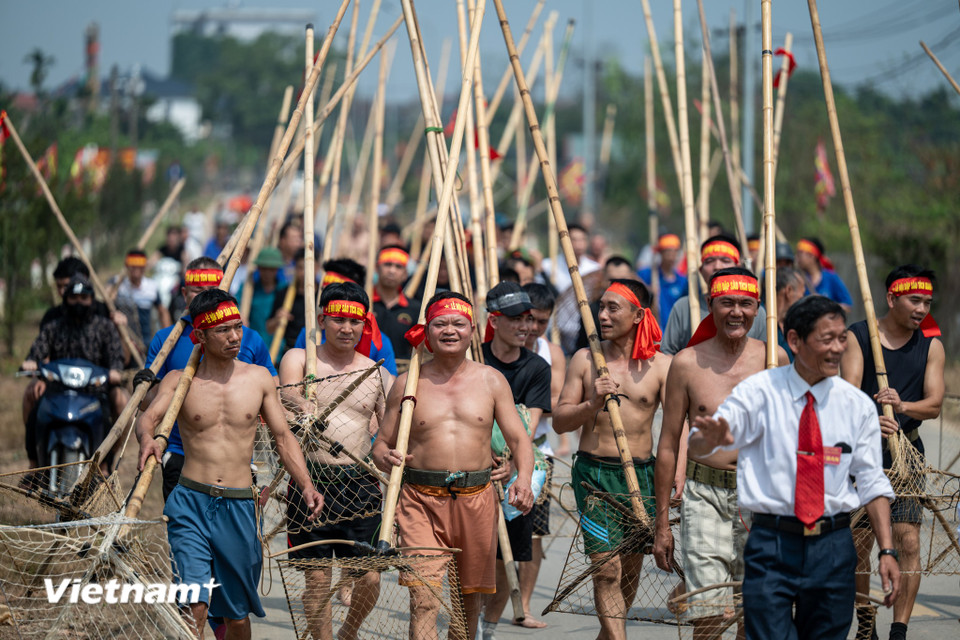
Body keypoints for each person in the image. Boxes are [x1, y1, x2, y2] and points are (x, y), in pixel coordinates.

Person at [688, 295, 900, 640]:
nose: (836, 348)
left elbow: (872, 481)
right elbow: (702, 441)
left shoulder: (856, 406)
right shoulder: (759, 393)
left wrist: (887, 550)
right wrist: (711, 437)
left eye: (841, 338)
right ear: (795, 341)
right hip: (772, 545)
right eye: (825, 339)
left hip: (833, 548)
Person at [137, 288, 322, 640]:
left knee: (236, 616)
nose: (235, 336)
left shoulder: (258, 379)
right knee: (195, 605)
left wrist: (307, 485)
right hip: (190, 501)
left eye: (238, 327)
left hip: (239, 505)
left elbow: (283, 437)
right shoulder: (180, 381)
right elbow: (147, 419)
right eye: (224, 330)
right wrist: (147, 439)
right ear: (201, 335)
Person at [373, 291, 535, 640]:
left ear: (472, 330)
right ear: (427, 332)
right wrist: (386, 457)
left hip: (476, 499)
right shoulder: (408, 383)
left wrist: (523, 479)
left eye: (458, 323)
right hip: (419, 500)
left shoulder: (491, 381)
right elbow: (380, 445)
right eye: (440, 324)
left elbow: (521, 440)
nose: (449, 330)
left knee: (467, 606)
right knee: (424, 598)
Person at [653, 268, 787, 638]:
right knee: (709, 612)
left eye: (746, 304)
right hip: (703, 497)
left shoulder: (774, 360)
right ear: (711, 305)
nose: (736, 312)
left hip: (759, 497)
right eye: (726, 302)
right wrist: (661, 525)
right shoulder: (686, 363)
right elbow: (667, 445)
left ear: (759, 308)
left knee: (754, 611)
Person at [554, 278, 671, 640]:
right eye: (599, 307)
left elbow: (674, 434)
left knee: (630, 573)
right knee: (606, 570)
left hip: (641, 478)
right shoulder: (586, 359)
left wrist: (676, 475)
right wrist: (592, 403)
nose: (602, 315)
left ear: (638, 315)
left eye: (612, 308)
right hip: (593, 478)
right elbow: (560, 419)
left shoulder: (662, 366)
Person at [278, 282, 391, 640]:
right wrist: (301, 404)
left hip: (360, 482)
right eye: (338, 319)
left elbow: (389, 430)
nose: (347, 328)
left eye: (355, 321)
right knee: (317, 577)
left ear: (365, 324)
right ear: (322, 319)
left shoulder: (376, 372)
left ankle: (348, 631)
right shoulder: (300, 358)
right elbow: (288, 395)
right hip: (309, 477)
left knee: (370, 574)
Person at [840, 265, 945, 640]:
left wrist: (903, 407)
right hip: (863, 454)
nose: (921, 309)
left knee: (908, 540)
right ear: (891, 299)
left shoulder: (931, 345)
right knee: (858, 546)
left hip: (907, 454)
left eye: (927, 302)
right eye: (914, 300)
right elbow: (848, 394)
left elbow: (933, 404)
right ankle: (865, 621)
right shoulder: (858, 337)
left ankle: (899, 630)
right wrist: (871, 414)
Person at [137, 257, 277, 501]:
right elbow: (148, 406)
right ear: (184, 293)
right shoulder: (165, 341)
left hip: (238, 467)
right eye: (197, 291)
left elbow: (275, 395)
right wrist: (143, 386)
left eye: (214, 291)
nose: (205, 297)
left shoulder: (249, 339)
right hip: (181, 457)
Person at [479, 283, 552, 637]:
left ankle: (488, 629)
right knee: (468, 560)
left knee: (504, 562)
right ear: (493, 321)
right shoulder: (474, 360)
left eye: (529, 319)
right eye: (515, 319)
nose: (525, 326)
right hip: (472, 470)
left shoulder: (536, 367)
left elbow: (530, 426)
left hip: (518, 471)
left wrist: (511, 462)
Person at [21, 274, 128, 472]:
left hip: (93, 392)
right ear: (65, 299)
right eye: (73, 298)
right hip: (56, 391)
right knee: (36, 417)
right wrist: (30, 363)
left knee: (106, 419)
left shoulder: (104, 327)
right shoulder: (54, 327)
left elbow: (116, 359)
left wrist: (115, 372)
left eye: (84, 298)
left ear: (91, 300)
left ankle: (104, 467)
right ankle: (33, 467)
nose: (78, 303)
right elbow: (37, 352)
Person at [521, 282, 568, 613]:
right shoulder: (489, 350)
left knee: (534, 531)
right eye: (529, 319)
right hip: (491, 453)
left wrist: (524, 406)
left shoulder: (551, 352)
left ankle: (523, 604)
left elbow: (559, 402)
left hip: (538, 454)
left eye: (542, 321)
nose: (533, 327)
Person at [660, 234, 767, 355]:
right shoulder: (683, 307)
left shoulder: (757, 313)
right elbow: (667, 353)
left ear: (738, 267)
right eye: (710, 261)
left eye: (725, 260)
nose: (717, 267)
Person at [293, 258, 399, 376]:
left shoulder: (379, 341)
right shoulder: (308, 334)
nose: (346, 330)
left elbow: (388, 386)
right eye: (325, 289)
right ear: (321, 320)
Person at [372, 245, 422, 370]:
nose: (392, 270)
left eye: (398, 267)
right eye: (387, 264)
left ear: (405, 274)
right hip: (364, 375)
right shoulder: (364, 303)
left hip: (402, 374)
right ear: (377, 268)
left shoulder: (415, 309)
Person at [574, 256, 637, 352]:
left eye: (623, 281)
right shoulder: (592, 310)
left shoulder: (641, 308)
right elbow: (581, 344)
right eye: (613, 280)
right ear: (603, 279)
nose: (618, 285)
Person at [116, 249, 172, 346]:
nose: (136, 269)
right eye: (133, 265)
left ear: (145, 266)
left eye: (140, 265)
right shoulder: (118, 284)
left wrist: (168, 338)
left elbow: (162, 311)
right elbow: (106, 299)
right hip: (123, 339)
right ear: (127, 266)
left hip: (144, 342)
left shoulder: (151, 286)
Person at [238, 246, 284, 345]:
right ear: (258, 268)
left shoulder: (284, 289)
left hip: (277, 346)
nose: (267, 273)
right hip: (252, 343)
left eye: (271, 269)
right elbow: (234, 304)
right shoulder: (248, 288)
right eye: (264, 269)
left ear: (277, 269)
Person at [638, 233, 687, 324]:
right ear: (660, 253)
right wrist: (648, 290)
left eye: (674, 251)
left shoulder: (682, 280)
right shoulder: (648, 274)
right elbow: (632, 279)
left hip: (674, 328)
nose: (671, 255)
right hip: (654, 326)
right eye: (668, 251)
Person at [267, 248, 307, 357]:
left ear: (317, 267)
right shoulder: (284, 293)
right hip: (288, 351)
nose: (304, 273)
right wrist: (277, 319)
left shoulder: (321, 296)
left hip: (313, 353)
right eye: (300, 268)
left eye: (308, 268)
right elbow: (269, 328)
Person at [795, 237, 853, 312]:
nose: (797, 257)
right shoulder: (798, 279)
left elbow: (847, 306)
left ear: (812, 256)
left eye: (800, 253)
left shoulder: (831, 278)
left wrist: (825, 305)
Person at [775, 266, 807, 363]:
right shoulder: (760, 320)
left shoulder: (796, 325)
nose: (802, 301)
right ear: (788, 291)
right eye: (801, 296)